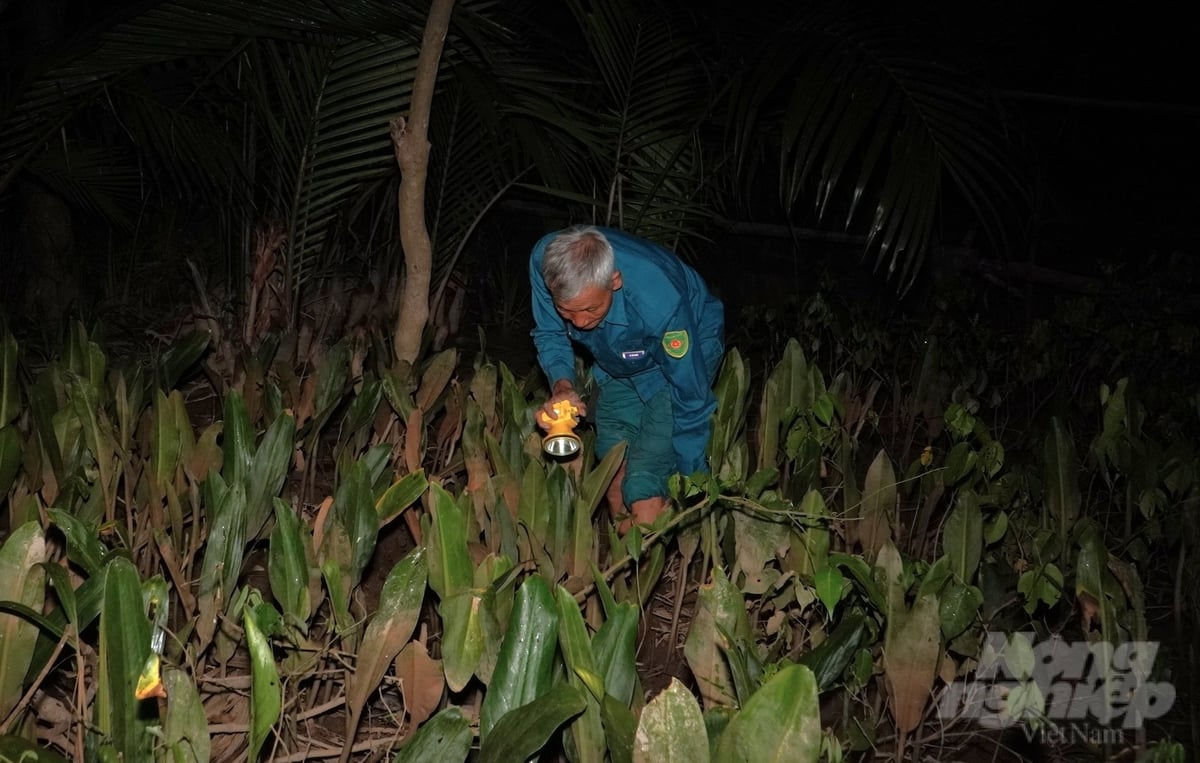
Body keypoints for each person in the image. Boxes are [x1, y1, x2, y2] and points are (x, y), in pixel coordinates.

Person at [529, 225, 724, 533]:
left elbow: (691, 396)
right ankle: (625, 571)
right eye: (567, 310)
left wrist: (694, 484)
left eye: (590, 308)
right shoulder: (546, 261)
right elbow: (551, 331)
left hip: (685, 353)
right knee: (614, 469)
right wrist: (562, 385)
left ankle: (650, 552)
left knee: (642, 482)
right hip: (617, 359)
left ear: (615, 281)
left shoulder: (660, 303)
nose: (579, 323)